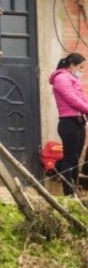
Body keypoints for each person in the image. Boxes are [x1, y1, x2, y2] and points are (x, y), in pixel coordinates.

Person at [49, 53, 88, 197]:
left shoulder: (73, 79)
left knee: (76, 159)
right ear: (72, 65)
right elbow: (72, 99)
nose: (81, 71)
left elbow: (81, 98)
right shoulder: (61, 78)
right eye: (80, 67)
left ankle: (74, 188)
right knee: (70, 159)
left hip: (79, 121)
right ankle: (69, 194)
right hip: (68, 122)